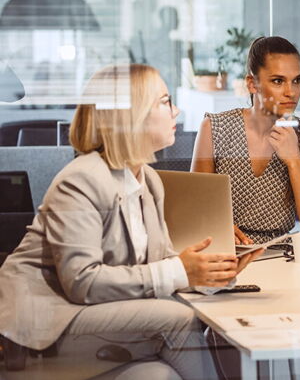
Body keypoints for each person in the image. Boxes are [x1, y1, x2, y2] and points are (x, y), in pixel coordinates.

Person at [0, 64, 262, 378]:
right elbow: (82, 282)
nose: (176, 110)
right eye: (165, 102)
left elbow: (160, 265)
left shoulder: (147, 181)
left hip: (93, 316)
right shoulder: (82, 179)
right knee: (176, 319)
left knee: (159, 374)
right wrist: (180, 270)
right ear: (132, 116)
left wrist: (210, 273)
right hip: (43, 324)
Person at [191, 36, 300, 245]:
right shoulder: (214, 128)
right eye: (278, 81)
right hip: (225, 253)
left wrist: (294, 160)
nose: (291, 92)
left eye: (297, 80)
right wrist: (216, 227)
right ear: (252, 83)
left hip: (282, 259)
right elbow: (195, 212)